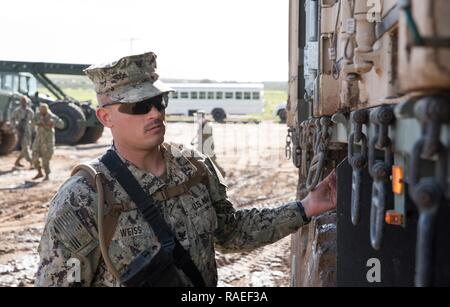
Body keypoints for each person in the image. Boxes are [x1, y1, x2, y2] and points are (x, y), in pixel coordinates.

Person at [35, 51, 337, 287]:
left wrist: (306, 207)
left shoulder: (192, 167)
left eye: (159, 101)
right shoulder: (83, 198)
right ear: (105, 117)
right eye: (139, 106)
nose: (154, 112)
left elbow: (230, 233)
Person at [31, 104, 64, 181]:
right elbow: (32, 122)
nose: (41, 112)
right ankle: (39, 172)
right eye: (40, 110)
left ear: (46, 110)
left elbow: (62, 125)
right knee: (34, 156)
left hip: (48, 141)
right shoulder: (37, 115)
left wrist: (53, 123)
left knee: (46, 159)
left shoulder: (52, 116)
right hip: (38, 140)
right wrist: (38, 123)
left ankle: (47, 175)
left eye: (43, 110)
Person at [191, 110, 226, 177]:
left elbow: (206, 135)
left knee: (210, 160)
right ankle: (204, 173)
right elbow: (199, 134)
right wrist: (194, 140)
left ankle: (221, 172)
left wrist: (198, 140)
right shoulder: (201, 123)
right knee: (200, 159)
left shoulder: (207, 124)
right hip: (202, 146)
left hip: (207, 146)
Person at [11, 96, 34, 168]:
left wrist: (33, 130)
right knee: (25, 147)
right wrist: (15, 128)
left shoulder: (30, 111)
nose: (24, 103)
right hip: (21, 131)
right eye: (22, 101)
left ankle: (17, 161)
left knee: (27, 146)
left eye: (25, 102)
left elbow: (33, 121)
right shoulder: (17, 111)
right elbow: (12, 119)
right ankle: (32, 162)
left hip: (28, 130)